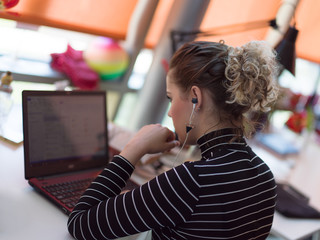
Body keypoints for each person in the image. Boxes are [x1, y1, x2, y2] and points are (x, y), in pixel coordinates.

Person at [67, 40, 279, 240]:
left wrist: (134, 147)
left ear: (196, 98)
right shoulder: (265, 176)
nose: (170, 112)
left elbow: (79, 225)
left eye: (171, 98)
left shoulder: (191, 181)